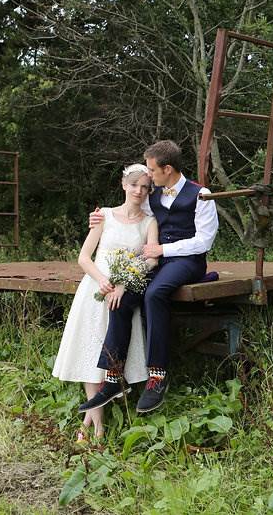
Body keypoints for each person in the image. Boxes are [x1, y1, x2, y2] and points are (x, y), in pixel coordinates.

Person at [79, 139, 219, 414]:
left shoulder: (201, 194)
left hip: (187, 260)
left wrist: (164, 248)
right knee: (122, 297)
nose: (148, 177)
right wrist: (99, 218)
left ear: (167, 169)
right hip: (155, 261)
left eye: (152, 171)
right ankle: (112, 377)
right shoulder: (154, 196)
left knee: (155, 294)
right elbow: (129, 215)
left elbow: (204, 241)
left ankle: (157, 375)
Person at [52, 163, 156, 440]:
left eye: (145, 187)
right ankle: (97, 425)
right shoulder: (105, 216)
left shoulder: (149, 222)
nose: (139, 191)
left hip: (123, 292)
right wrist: (101, 280)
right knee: (91, 351)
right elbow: (84, 257)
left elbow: (152, 258)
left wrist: (125, 282)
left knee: (108, 352)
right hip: (96, 289)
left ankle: (90, 423)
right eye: (134, 185)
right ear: (124, 185)